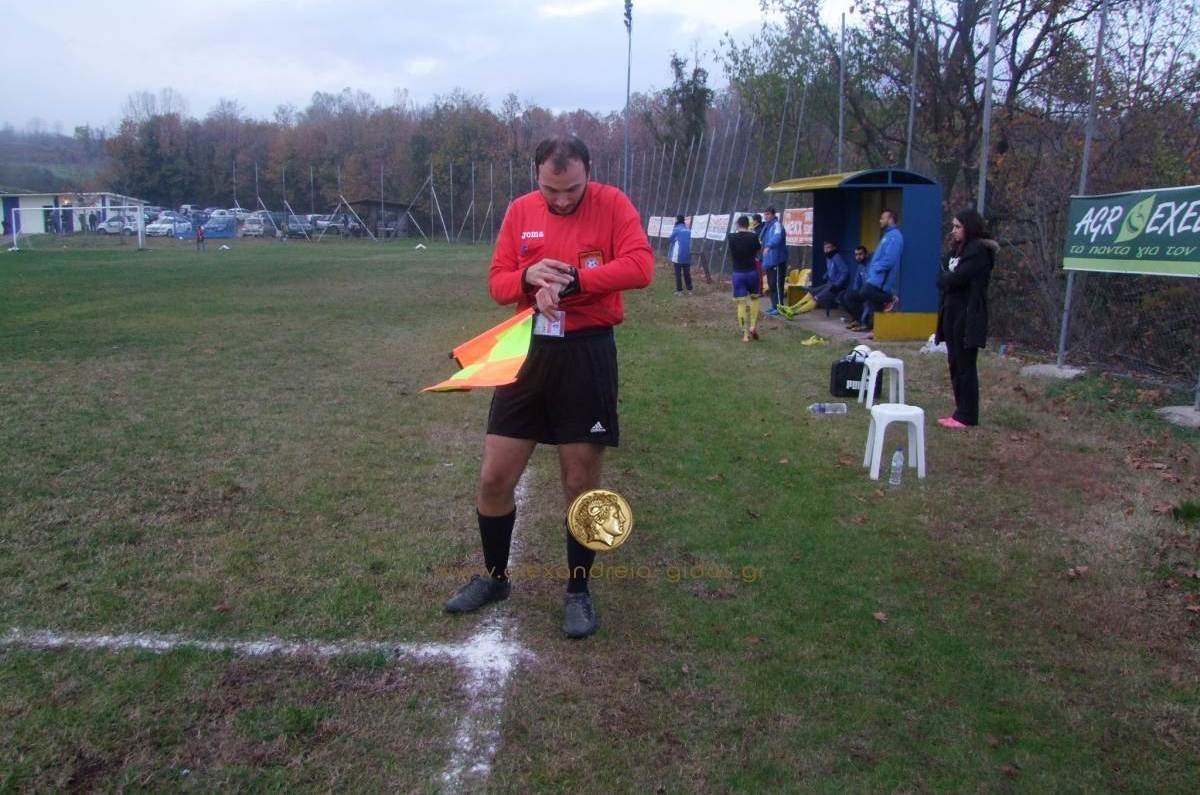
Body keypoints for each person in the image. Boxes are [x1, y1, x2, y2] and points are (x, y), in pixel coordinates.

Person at [443, 135, 653, 639]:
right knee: (495, 477)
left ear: (588, 173)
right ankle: (495, 578)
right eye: (550, 189)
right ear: (536, 176)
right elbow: (497, 284)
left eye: (572, 189)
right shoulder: (520, 211)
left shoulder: (613, 204)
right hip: (529, 352)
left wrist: (577, 281)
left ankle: (578, 590)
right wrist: (526, 277)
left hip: (587, 355)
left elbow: (641, 267)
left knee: (580, 484)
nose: (560, 199)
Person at [935, 208, 997, 428]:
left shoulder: (979, 251)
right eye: (953, 226)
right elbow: (941, 278)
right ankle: (959, 410)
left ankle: (967, 415)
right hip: (950, 312)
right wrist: (948, 278)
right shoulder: (955, 252)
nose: (954, 231)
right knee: (954, 362)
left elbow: (959, 278)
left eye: (958, 226)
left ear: (969, 227)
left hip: (968, 314)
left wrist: (948, 278)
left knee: (965, 365)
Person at [840, 209, 903, 331]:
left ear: (890, 219)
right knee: (874, 303)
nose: (880, 221)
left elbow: (890, 260)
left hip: (881, 279)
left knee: (866, 292)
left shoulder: (895, 236)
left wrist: (876, 267)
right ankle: (874, 329)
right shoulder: (887, 235)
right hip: (875, 277)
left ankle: (891, 298)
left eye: (882, 218)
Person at [727, 215, 763, 342]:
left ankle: (745, 334)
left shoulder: (731, 237)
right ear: (748, 225)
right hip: (752, 273)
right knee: (755, 299)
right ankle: (753, 326)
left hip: (738, 274)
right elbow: (759, 249)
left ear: (737, 224)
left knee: (741, 304)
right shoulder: (753, 237)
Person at [760, 206, 788, 315]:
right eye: (765, 214)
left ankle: (779, 307)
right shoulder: (767, 227)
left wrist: (769, 246)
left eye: (767, 214)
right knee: (771, 284)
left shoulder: (777, 225)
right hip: (769, 261)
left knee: (777, 284)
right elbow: (761, 240)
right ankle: (774, 306)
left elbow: (777, 237)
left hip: (777, 260)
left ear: (773, 215)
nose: (765, 216)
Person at [667, 215, 693, 295]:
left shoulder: (676, 229)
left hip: (678, 254)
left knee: (678, 273)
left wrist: (675, 240)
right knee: (687, 273)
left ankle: (679, 291)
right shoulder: (688, 230)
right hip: (687, 254)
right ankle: (690, 290)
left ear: (678, 220)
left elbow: (670, 239)